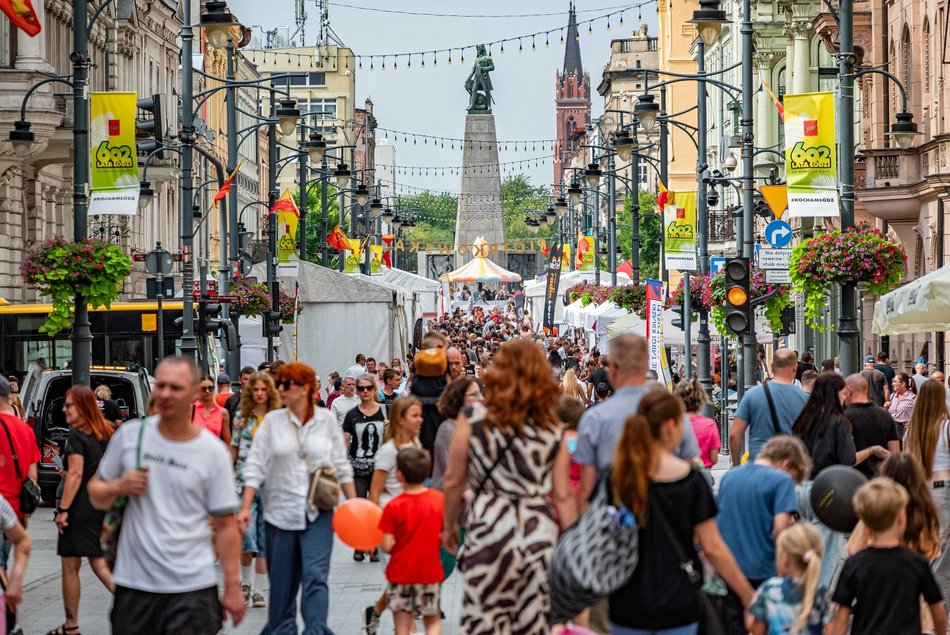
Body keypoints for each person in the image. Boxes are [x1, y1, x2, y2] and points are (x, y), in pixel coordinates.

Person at [88, 356, 246, 633]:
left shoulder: (212, 452)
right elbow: (96, 494)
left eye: (175, 387)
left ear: (194, 393)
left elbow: (225, 525)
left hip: (192, 587)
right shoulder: (130, 436)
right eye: (160, 386)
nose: (165, 394)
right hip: (135, 585)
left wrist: (232, 587)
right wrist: (119, 486)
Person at [442, 339, 576, 634]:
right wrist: (575, 542)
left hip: (490, 527)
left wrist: (449, 524)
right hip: (537, 530)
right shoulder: (553, 427)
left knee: (486, 619)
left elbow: (453, 479)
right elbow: (563, 494)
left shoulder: (472, 419)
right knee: (534, 621)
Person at [607, 390, 754, 632]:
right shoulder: (692, 481)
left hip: (625, 599)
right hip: (679, 600)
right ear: (669, 427)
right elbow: (713, 547)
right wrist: (747, 594)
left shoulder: (619, 477)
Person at [239, 362, 356, 634]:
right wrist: (245, 506)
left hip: (318, 512)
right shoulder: (271, 422)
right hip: (279, 514)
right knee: (282, 583)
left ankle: (315, 629)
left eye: (285, 385)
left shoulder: (325, 420)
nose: (279, 389)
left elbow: (340, 464)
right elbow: (254, 466)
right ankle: (283, 628)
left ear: (305, 389)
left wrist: (354, 503)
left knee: (315, 576)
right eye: (279, 384)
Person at [716, 435, 810, 634]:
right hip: (764, 569)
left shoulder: (730, 476)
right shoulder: (781, 480)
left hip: (728, 570)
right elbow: (781, 530)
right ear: (786, 464)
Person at [827, 478, 946, 635]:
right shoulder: (916, 563)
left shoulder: (854, 564)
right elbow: (937, 613)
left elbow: (841, 620)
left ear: (864, 521)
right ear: (900, 518)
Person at [49, 386, 116, 635]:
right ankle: (135, 603)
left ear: (82, 407)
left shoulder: (76, 435)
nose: (65, 409)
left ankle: (71, 624)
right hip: (99, 503)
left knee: (71, 565)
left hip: (79, 506)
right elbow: (92, 470)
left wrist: (63, 509)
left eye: (69, 405)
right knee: (97, 560)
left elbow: (76, 474)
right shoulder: (106, 432)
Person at [365, 397, 426, 633]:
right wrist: (373, 531)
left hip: (414, 522)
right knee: (402, 579)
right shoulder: (388, 452)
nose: (420, 420)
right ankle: (408, 628)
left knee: (404, 578)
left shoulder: (416, 444)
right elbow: (376, 492)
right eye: (415, 416)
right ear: (400, 420)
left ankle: (376, 611)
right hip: (392, 524)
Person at [379, 448, 444, 635]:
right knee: (432, 621)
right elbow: (444, 534)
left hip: (400, 574)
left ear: (399, 476)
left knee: (402, 627)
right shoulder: (439, 500)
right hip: (429, 573)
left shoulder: (393, 506)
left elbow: (386, 545)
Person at [231, 372, 280, 609]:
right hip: (244, 480)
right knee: (246, 533)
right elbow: (234, 448)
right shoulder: (241, 417)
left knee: (263, 537)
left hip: (271, 483)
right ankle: (245, 582)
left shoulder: (277, 418)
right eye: (256, 390)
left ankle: (259, 589)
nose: (260, 394)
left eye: (263, 390)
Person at [905, 378, 950, 608]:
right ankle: (938, 608)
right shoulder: (946, 426)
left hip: (920, 491)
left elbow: (907, 465)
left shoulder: (912, 430)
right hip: (944, 492)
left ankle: (918, 601)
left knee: (923, 544)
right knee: (943, 551)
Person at [747, 523, 832, 635]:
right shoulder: (824, 596)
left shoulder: (770, 589)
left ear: (786, 558)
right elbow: (831, 630)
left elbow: (757, 629)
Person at [730, 348, 808, 465]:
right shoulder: (805, 399)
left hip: (760, 464)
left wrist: (736, 465)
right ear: (795, 368)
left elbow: (734, 435)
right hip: (790, 466)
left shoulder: (753, 395)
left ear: (772, 367)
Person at [343, 374, 387, 562]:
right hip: (358, 466)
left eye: (368, 388)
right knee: (360, 506)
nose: (365, 392)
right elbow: (345, 442)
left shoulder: (385, 412)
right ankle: (360, 545)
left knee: (376, 507)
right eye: (361, 389)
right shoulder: (352, 415)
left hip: (380, 466)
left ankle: (375, 545)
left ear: (374, 389)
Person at [844, 373, 901, 478]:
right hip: (880, 480)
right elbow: (895, 455)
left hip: (852, 481)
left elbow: (844, 458)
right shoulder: (885, 415)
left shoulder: (844, 418)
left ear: (849, 390)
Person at [431, 377, 482, 491]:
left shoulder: (475, 426)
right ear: (458, 399)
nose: (481, 399)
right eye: (474, 395)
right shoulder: (448, 429)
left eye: (480, 393)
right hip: (450, 499)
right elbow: (452, 473)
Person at [674, 378, 721, 469]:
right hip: (702, 474)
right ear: (701, 399)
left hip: (678, 472)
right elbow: (714, 459)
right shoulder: (709, 424)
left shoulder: (673, 424)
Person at [192, 375, 231, 445]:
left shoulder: (223, 413)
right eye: (204, 389)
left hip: (215, 454)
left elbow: (227, 442)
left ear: (214, 388)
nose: (207, 391)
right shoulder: (191, 410)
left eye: (210, 388)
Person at [886, 371, 917, 440]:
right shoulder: (893, 396)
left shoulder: (913, 398)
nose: (892, 384)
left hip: (905, 432)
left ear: (903, 384)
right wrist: (885, 407)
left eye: (895, 382)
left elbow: (920, 414)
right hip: (892, 430)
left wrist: (913, 422)